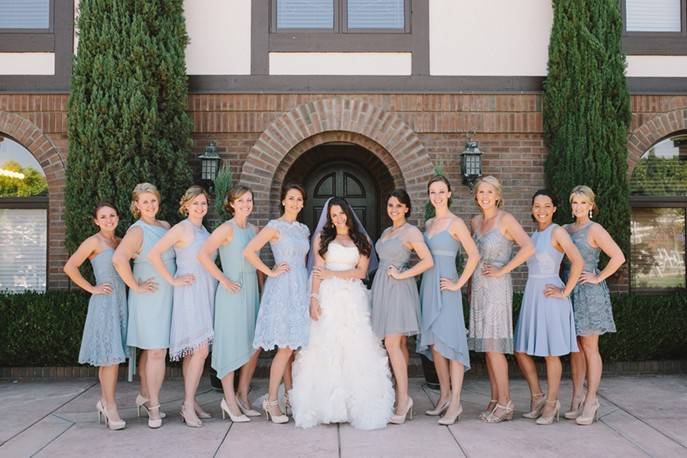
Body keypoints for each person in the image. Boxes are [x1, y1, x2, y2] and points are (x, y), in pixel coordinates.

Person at [290, 197, 394, 430]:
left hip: (353, 300)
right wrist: (314, 300)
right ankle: (327, 406)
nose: (338, 218)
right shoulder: (322, 238)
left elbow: (361, 272)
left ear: (348, 213)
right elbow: (318, 270)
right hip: (327, 297)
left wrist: (333, 275)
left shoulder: (362, 240)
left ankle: (354, 405)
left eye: (341, 213)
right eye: (333, 215)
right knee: (326, 346)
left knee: (355, 347)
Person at [148, 185, 217, 428]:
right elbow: (154, 254)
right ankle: (187, 405)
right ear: (186, 205)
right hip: (190, 292)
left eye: (203, 203)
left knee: (193, 352)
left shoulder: (205, 230)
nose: (200, 207)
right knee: (200, 350)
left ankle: (191, 400)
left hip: (206, 290)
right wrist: (172, 279)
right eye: (195, 203)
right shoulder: (181, 228)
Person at [514, 190, 583, 425]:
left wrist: (565, 291)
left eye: (546, 206)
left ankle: (552, 403)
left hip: (551, 294)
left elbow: (578, 261)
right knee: (520, 350)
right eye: (537, 206)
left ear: (554, 208)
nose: (541, 210)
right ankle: (538, 396)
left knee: (551, 353)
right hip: (532, 294)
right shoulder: (532, 236)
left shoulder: (558, 231)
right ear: (532, 209)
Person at [469, 176, 535, 423]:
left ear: (498, 195)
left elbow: (528, 247)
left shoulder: (505, 219)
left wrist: (503, 269)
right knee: (487, 348)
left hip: (497, 287)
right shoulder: (475, 221)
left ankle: (506, 403)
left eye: (489, 192)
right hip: (478, 286)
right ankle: (495, 399)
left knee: (495, 346)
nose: (484, 196)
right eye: (480, 192)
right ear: (476, 196)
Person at [244, 184, 310, 424]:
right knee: (284, 347)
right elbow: (249, 252)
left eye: (299, 199)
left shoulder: (303, 229)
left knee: (294, 347)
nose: (295, 202)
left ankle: (290, 397)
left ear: (303, 203)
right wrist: (269, 272)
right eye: (291, 198)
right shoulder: (274, 226)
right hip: (282, 287)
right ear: (283, 201)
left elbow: (304, 260)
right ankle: (271, 400)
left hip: (300, 286)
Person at [419, 176, 480, 425]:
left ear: (450, 193)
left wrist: (458, 283)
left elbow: (474, 255)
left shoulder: (456, 223)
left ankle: (456, 402)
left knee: (452, 343)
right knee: (435, 344)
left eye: (441, 191)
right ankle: (444, 396)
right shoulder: (430, 223)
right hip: (428, 286)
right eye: (433, 192)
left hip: (447, 287)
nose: (437, 196)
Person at [198, 185, 262, 422]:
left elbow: (256, 263)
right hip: (232, 291)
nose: (246, 204)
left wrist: (262, 288)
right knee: (231, 344)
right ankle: (229, 400)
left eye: (249, 200)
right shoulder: (226, 228)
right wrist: (223, 278)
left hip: (251, 290)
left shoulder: (254, 230)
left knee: (254, 345)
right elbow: (203, 255)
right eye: (241, 201)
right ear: (232, 204)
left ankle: (243, 394)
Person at [563, 185, 625, 426]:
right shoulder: (566, 229)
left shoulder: (595, 229)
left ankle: (591, 400)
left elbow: (618, 256)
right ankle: (577, 396)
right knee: (575, 348)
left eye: (582, 203)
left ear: (591, 206)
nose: (578, 207)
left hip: (589, 292)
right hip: (570, 291)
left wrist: (598, 277)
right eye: (574, 203)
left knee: (590, 347)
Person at [371, 189, 434, 424]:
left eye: (398, 206)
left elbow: (427, 261)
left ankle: (404, 399)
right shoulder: (388, 231)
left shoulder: (411, 231)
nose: (394, 209)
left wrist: (402, 274)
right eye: (390, 205)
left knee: (391, 342)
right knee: (397, 344)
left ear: (407, 208)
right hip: (382, 287)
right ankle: (399, 394)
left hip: (398, 288)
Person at [112, 183, 172, 429]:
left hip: (168, 293)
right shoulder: (137, 231)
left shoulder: (166, 227)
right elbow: (118, 259)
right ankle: (154, 406)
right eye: (144, 201)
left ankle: (145, 395)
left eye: (153, 200)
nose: (150, 205)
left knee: (155, 350)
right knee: (156, 350)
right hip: (148, 295)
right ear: (136, 205)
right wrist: (135, 286)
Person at [64, 203, 128, 430]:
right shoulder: (94, 242)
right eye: (103, 216)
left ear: (118, 218)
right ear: (96, 221)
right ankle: (110, 407)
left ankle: (104, 401)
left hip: (121, 302)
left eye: (112, 215)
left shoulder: (120, 241)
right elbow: (70, 267)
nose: (108, 219)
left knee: (112, 357)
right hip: (104, 302)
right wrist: (92, 288)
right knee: (109, 357)